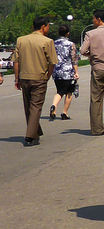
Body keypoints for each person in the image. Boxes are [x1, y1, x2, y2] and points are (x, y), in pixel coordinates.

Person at [12, 16, 57, 146]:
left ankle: (35, 133)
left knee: (28, 106)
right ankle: (30, 136)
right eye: (48, 26)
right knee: (36, 107)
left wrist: (17, 78)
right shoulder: (47, 41)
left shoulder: (21, 40)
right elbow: (52, 63)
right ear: (43, 27)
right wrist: (47, 76)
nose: (49, 29)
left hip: (25, 77)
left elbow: (16, 61)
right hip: (39, 77)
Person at [50, 24, 79, 120]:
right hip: (68, 71)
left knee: (59, 91)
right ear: (68, 33)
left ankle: (54, 105)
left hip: (57, 71)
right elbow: (74, 59)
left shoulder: (53, 43)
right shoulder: (71, 44)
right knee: (69, 92)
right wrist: (76, 72)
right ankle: (64, 113)